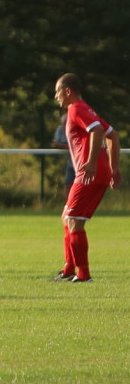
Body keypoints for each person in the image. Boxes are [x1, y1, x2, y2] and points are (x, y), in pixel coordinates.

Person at [51, 73, 121, 283]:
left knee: (74, 221)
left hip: (89, 172)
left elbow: (97, 130)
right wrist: (114, 168)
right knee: (67, 216)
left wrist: (90, 162)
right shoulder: (86, 109)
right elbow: (113, 134)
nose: (56, 97)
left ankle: (83, 274)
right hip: (97, 171)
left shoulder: (76, 109)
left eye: (58, 92)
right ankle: (69, 268)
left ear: (68, 91)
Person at [51, 112, 76, 199]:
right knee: (68, 182)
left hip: (80, 162)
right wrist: (68, 146)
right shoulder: (60, 130)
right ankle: (69, 203)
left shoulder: (77, 129)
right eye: (64, 124)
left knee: (82, 184)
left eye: (67, 123)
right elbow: (55, 143)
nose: (65, 126)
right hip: (71, 162)